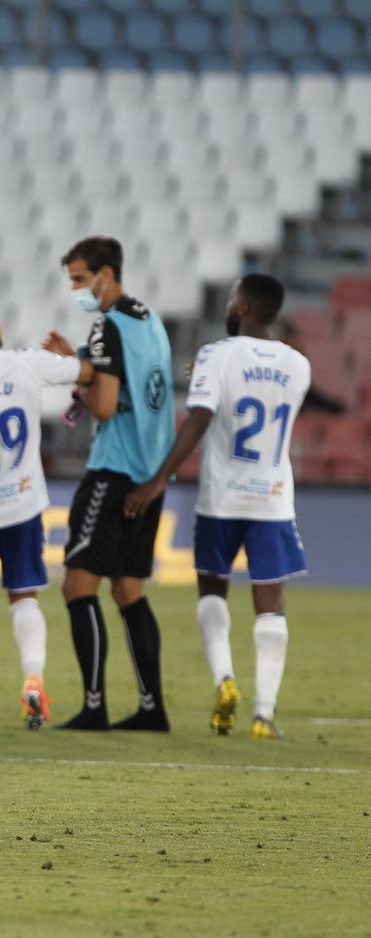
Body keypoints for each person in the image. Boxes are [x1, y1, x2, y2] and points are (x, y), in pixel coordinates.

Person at [124, 273, 308, 739]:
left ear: (244, 307)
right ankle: (264, 715)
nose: (228, 306)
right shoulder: (298, 364)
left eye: (232, 300)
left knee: (212, 590)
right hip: (272, 499)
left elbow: (201, 418)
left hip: (222, 498)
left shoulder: (216, 355)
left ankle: (225, 680)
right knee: (271, 603)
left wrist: (157, 479)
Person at [0, 290, 91, 730]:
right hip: (24, 503)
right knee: (24, 595)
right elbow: (86, 371)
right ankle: (34, 679)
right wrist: (70, 357)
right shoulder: (25, 362)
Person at [45, 236, 175, 732]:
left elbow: (102, 404)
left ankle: (94, 707)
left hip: (114, 468)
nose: (77, 288)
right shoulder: (151, 321)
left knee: (78, 583)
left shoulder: (107, 324)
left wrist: (76, 377)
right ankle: (151, 708)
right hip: (150, 473)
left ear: (104, 273)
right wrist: (78, 360)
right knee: (128, 589)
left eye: (79, 278)